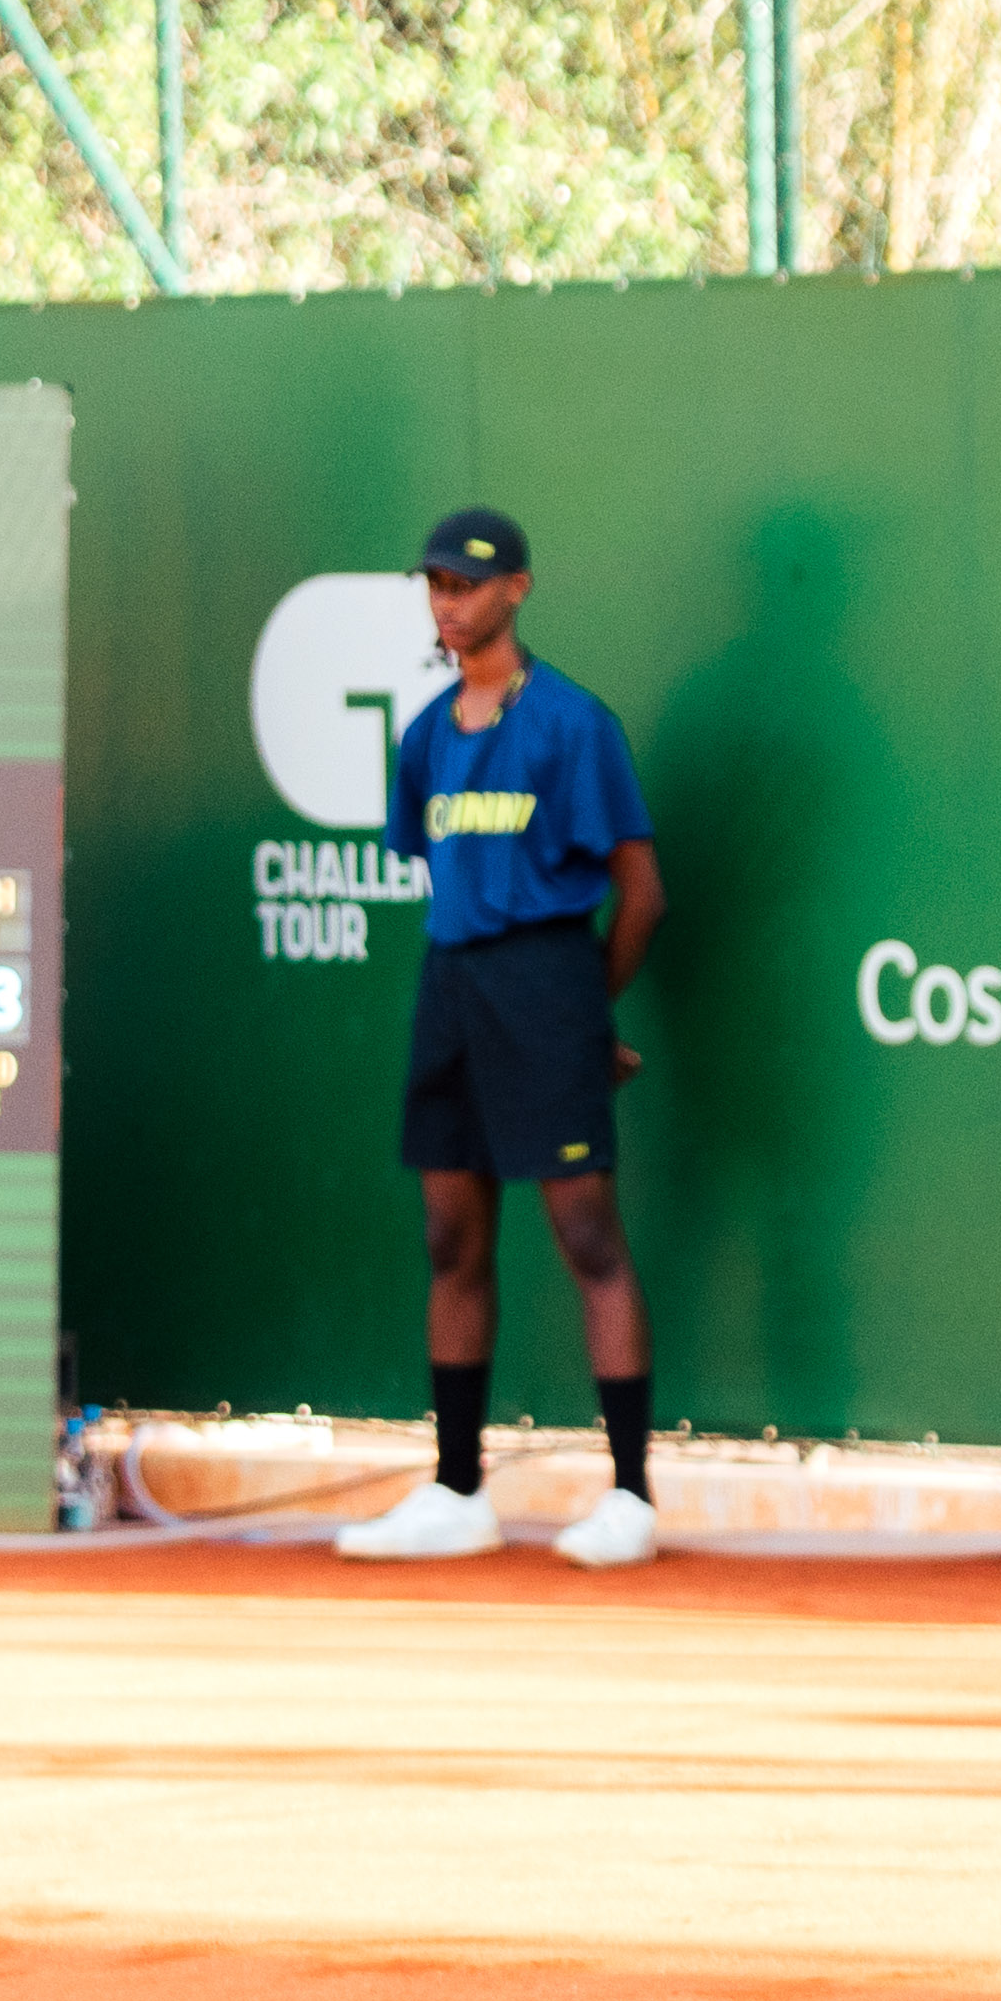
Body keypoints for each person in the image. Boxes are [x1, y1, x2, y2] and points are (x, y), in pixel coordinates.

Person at [337, 505, 666, 1571]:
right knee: (449, 1237)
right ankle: (457, 1490)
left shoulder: (574, 724)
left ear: (515, 588)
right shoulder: (428, 736)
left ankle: (630, 1496)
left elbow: (643, 895)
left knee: (587, 1237)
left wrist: (581, 1012)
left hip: (547, 979)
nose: (448, 603)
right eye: (434, 585)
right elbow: (442, 875)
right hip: (453, 987)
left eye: (467, 584)